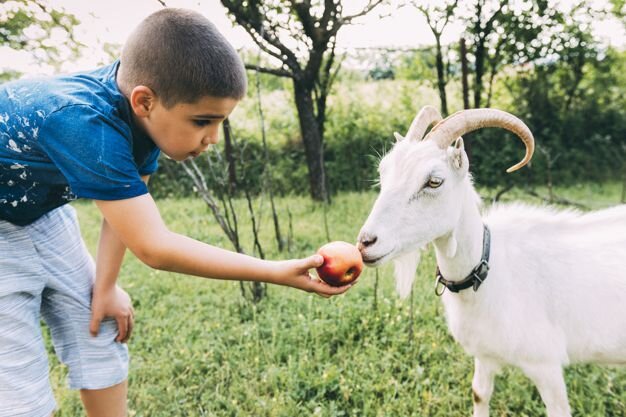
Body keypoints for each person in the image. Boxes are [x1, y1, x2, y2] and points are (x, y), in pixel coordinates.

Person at [0, 8, 351, 417]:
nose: (213, 138)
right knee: (17, 382)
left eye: (220, 122)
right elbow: (155, 248)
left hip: (42, 213)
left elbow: (126, 217)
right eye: (203, 121)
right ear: (144, 101)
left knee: (101, 320)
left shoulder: (142, 110)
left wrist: (107, 287)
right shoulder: (87, 124)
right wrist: (274, 270)